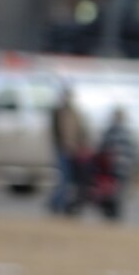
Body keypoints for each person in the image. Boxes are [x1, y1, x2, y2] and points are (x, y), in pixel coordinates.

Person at [48, 85, 87, 216]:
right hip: (63, 150)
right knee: (64, 178)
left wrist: (80, 145)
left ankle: (62, 203)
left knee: (70, 180)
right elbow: (57, 132)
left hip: (74, 151)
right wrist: (62, 145)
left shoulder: (75, 112)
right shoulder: (59, 112)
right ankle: (56, 203)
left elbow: (81, 130)